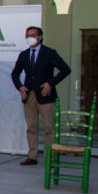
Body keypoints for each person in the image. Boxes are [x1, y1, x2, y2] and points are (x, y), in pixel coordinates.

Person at [11, 26, 71, 166]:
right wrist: (20, 87)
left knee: (48, 127)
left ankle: (50, 156)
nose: (30, 38)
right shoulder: (24, 54)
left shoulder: (49, 53)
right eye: (28, 35)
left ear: (40, 37)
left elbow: (65, 69)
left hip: (45, 95)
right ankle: (32, 156)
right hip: (29, 95)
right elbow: (15, 73)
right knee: (31, 126)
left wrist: (51, 83)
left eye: (33, 35)